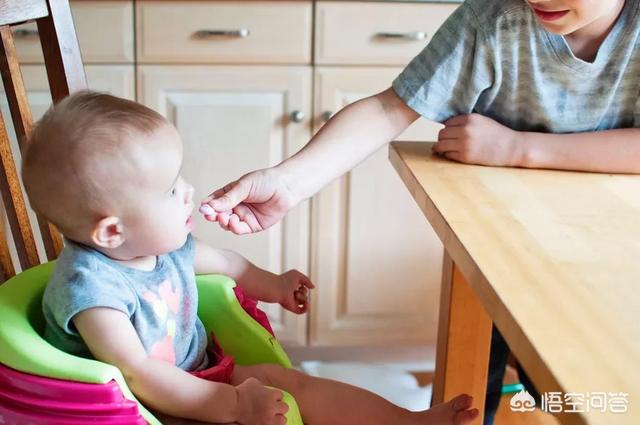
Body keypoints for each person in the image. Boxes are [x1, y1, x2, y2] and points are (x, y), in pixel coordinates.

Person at [199, 0, 640, 423]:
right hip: (499, 242)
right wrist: (289, 182)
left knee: (577, 383)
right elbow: (391, 107)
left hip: (611, 251)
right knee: (477, 376)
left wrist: (517, 148)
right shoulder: (492, 18)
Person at [23, 91, 478, 425]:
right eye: (169, 191)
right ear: (112, 231)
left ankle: (405, 421)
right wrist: (234, 405)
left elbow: (229, 264)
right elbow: (137, 375)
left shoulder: (161, 247)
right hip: (137, 408)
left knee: (295, 385)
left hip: (199, 374)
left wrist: (275, 285)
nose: (188, 193)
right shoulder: (94, 292)